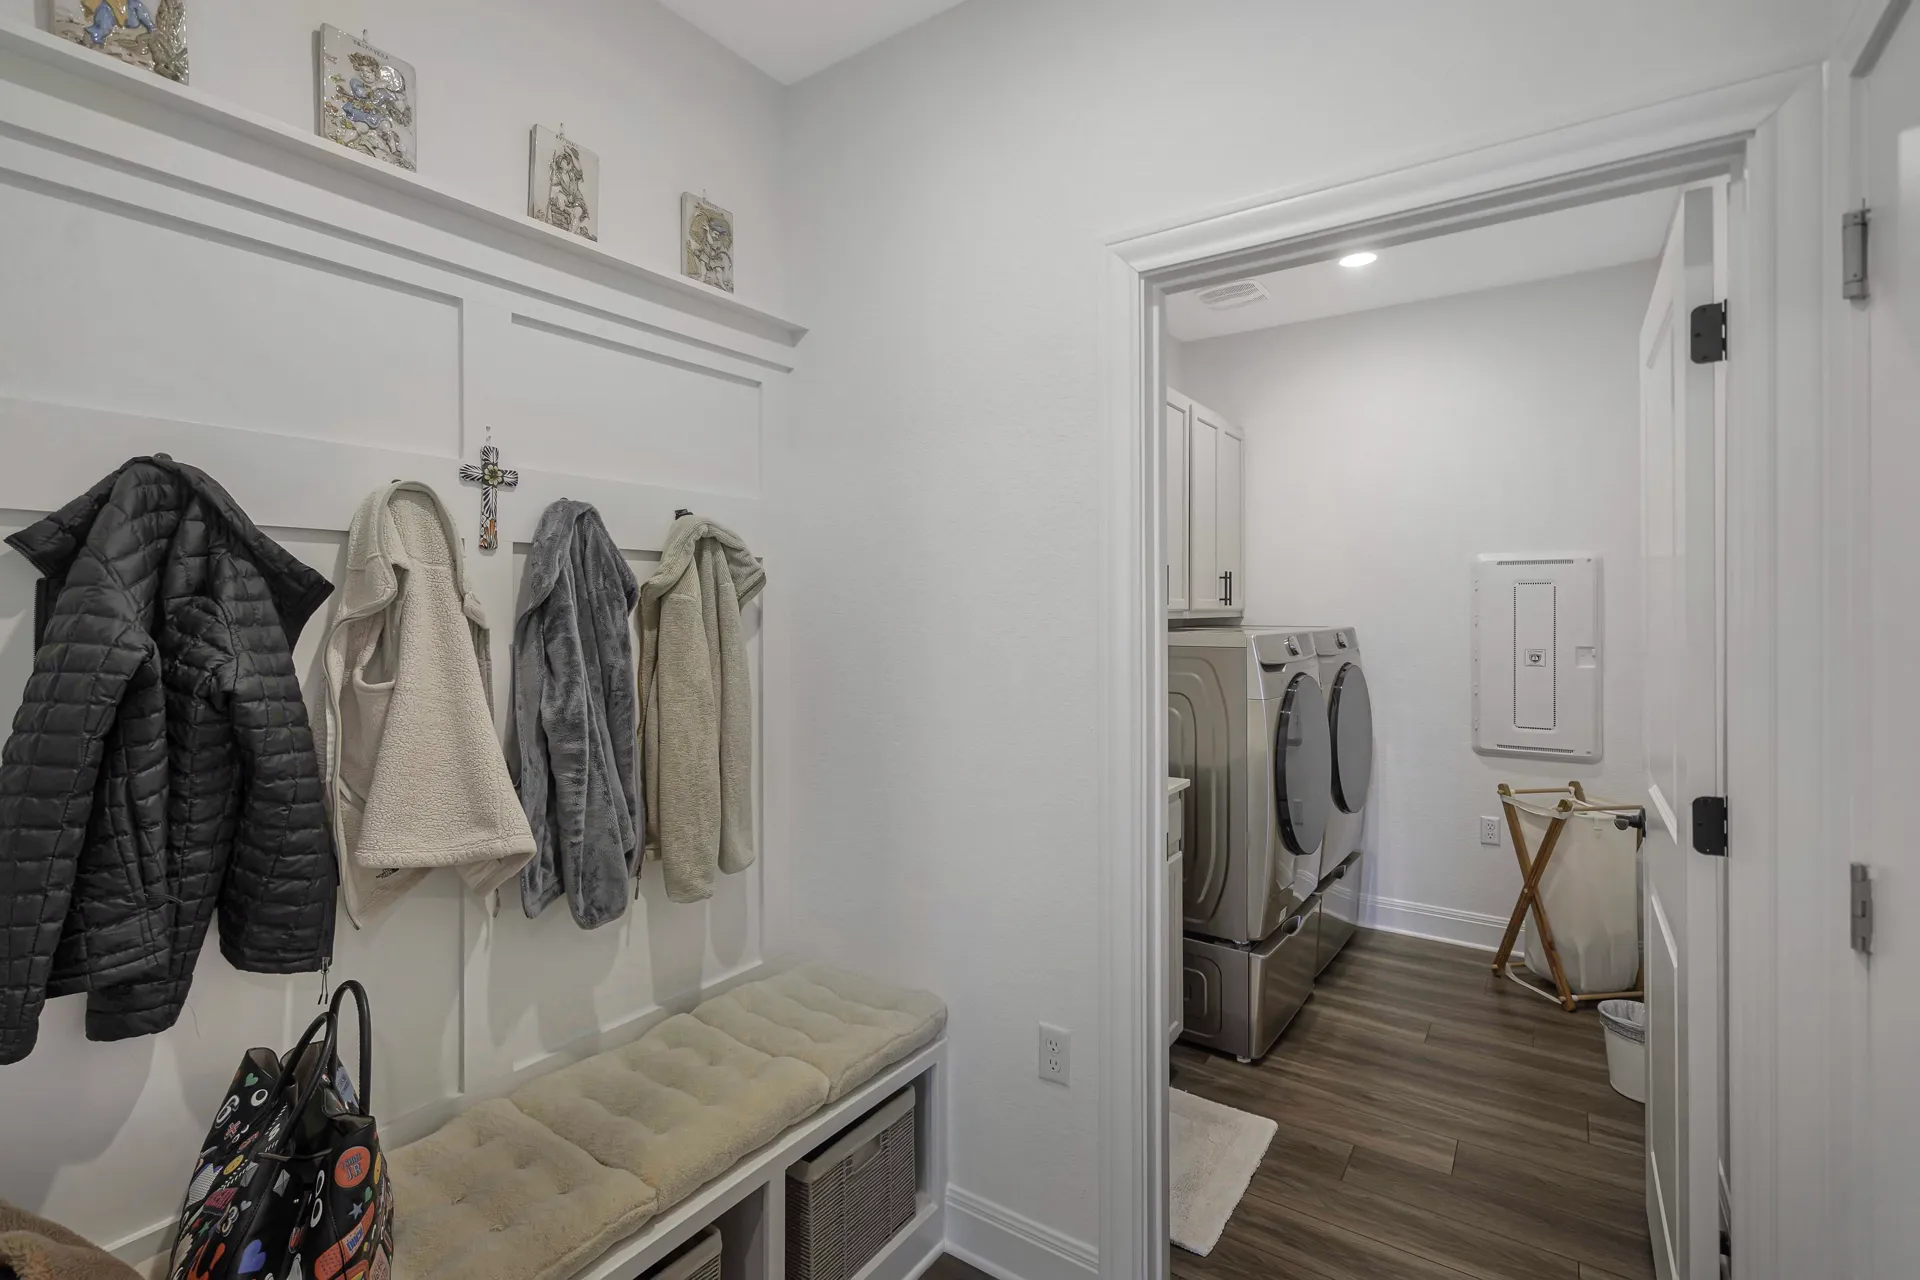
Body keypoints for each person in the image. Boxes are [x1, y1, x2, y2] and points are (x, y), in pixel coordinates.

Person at [84, 0, 154, 45]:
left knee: (136, 7)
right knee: (104, 27)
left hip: (124, 12)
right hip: (109, 10)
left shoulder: (133, 4)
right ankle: (92, 36)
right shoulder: (105, 8)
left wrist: (151, 27)